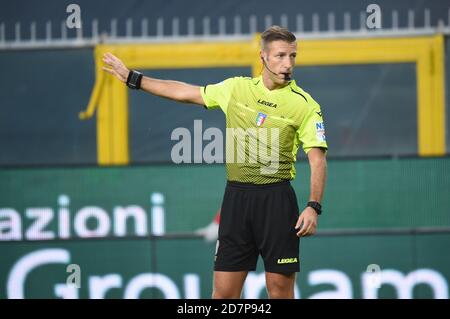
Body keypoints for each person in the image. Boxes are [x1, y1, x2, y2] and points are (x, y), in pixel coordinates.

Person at [102, 25, 328, 299]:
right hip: (236, 200)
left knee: (280, 292)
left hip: (276, 201)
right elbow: (185, 92)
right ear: (263, 57)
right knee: (223, 295)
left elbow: (317, 160)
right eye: (280, 55)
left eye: (292, 56)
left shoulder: (305, 104)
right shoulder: (236, 88)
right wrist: (134, 79)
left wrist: (313, 207)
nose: (288, 63)